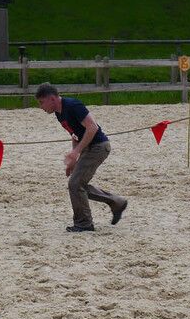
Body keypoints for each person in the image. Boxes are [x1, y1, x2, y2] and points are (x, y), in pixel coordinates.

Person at [35, 83, 128, 232]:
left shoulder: (72, 105)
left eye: (41, 102)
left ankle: (84, 223)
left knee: (75, 184)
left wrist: (76, 152)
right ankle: (117, 202)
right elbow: (75, 134)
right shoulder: (59, 113)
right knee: (77, 185)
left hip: (98, 147)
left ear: (52, 99)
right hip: (89, 148)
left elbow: (93, 127)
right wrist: (73, 159)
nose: (41, 107)